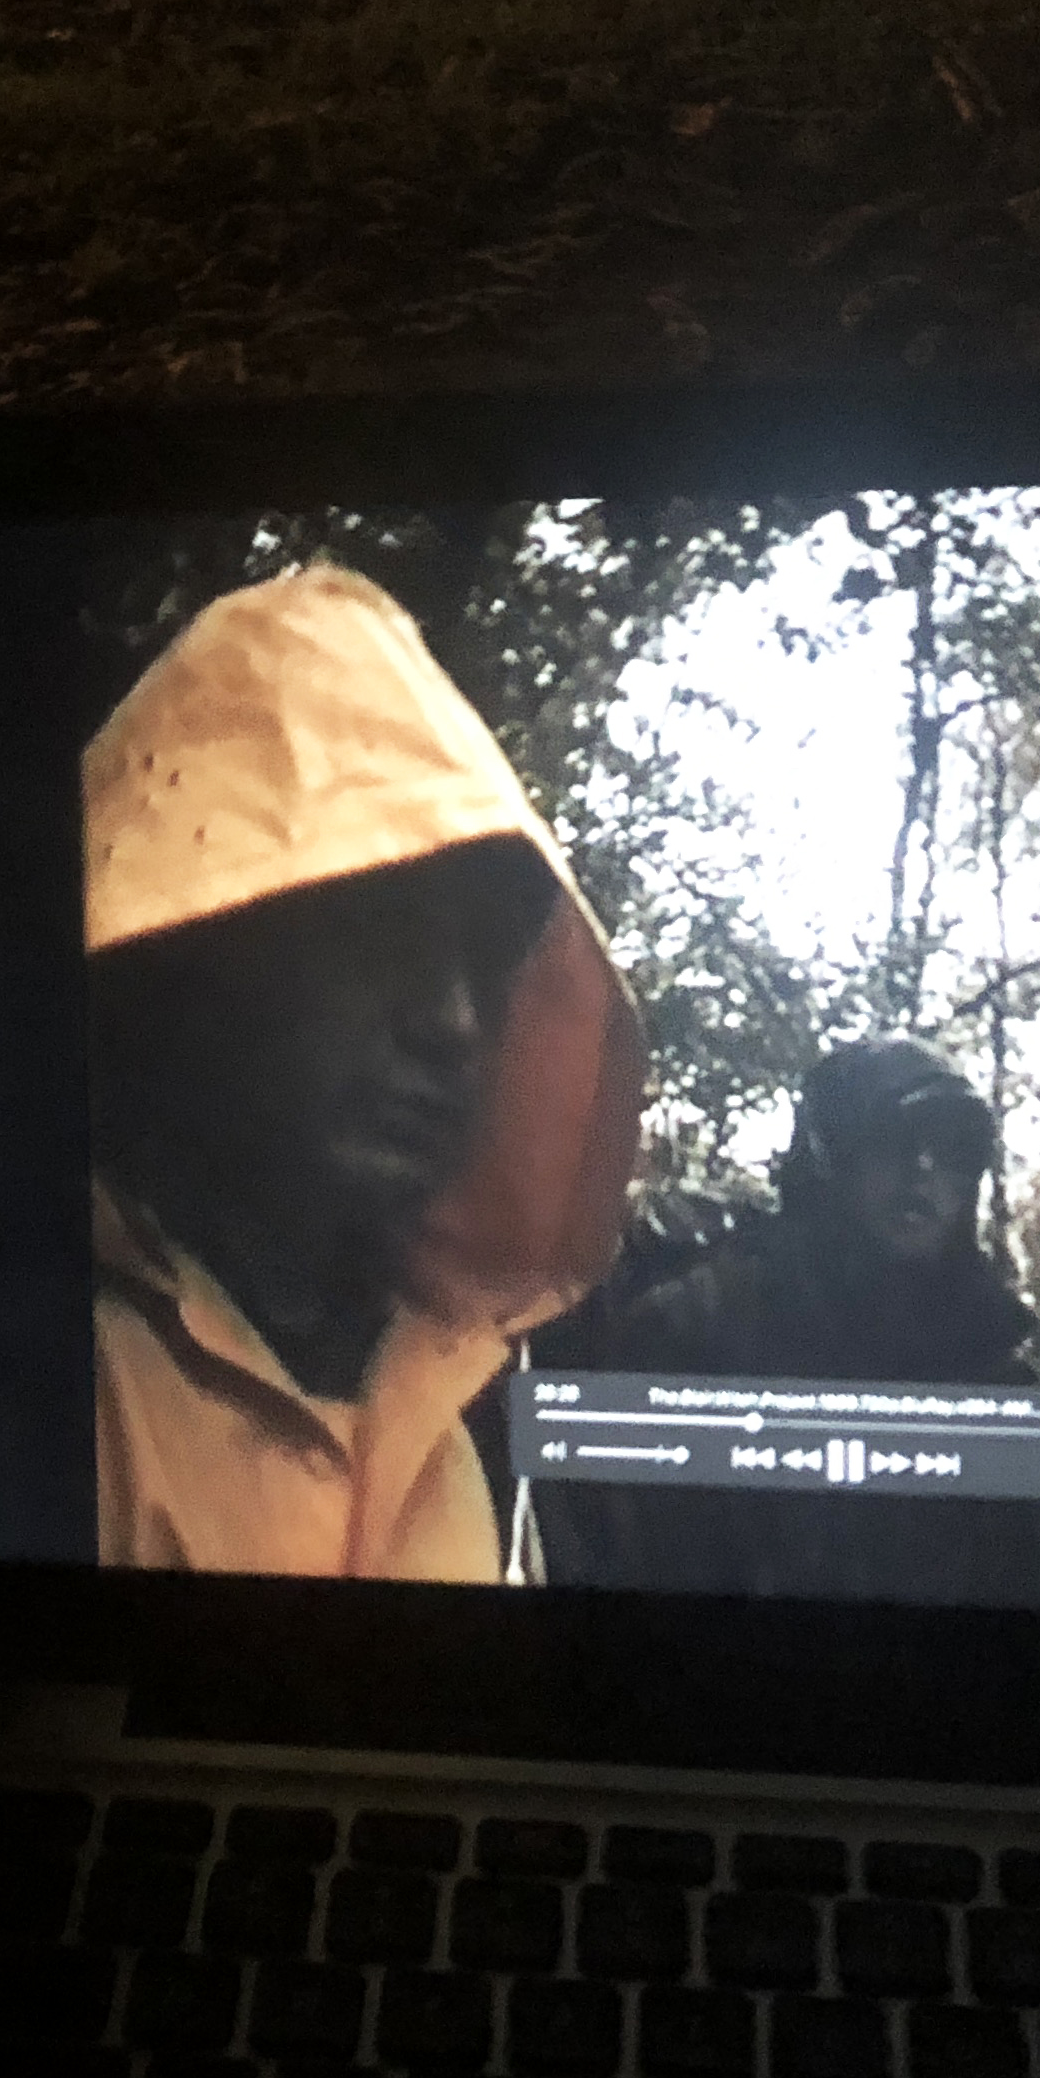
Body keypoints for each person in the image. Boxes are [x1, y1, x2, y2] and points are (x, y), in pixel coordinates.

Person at [84, 567, 644, 1580]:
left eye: (483, 958)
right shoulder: (54, 1386)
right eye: (381, 932)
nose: (456, 1023)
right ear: (195, 938)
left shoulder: (448, 1413)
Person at [532, 1035, 1040, 1607]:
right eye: (898, 1138)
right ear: (831, 1152)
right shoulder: (701, 1322)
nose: (925, 1168)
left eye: (953, 1149)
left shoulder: (989, 1372)